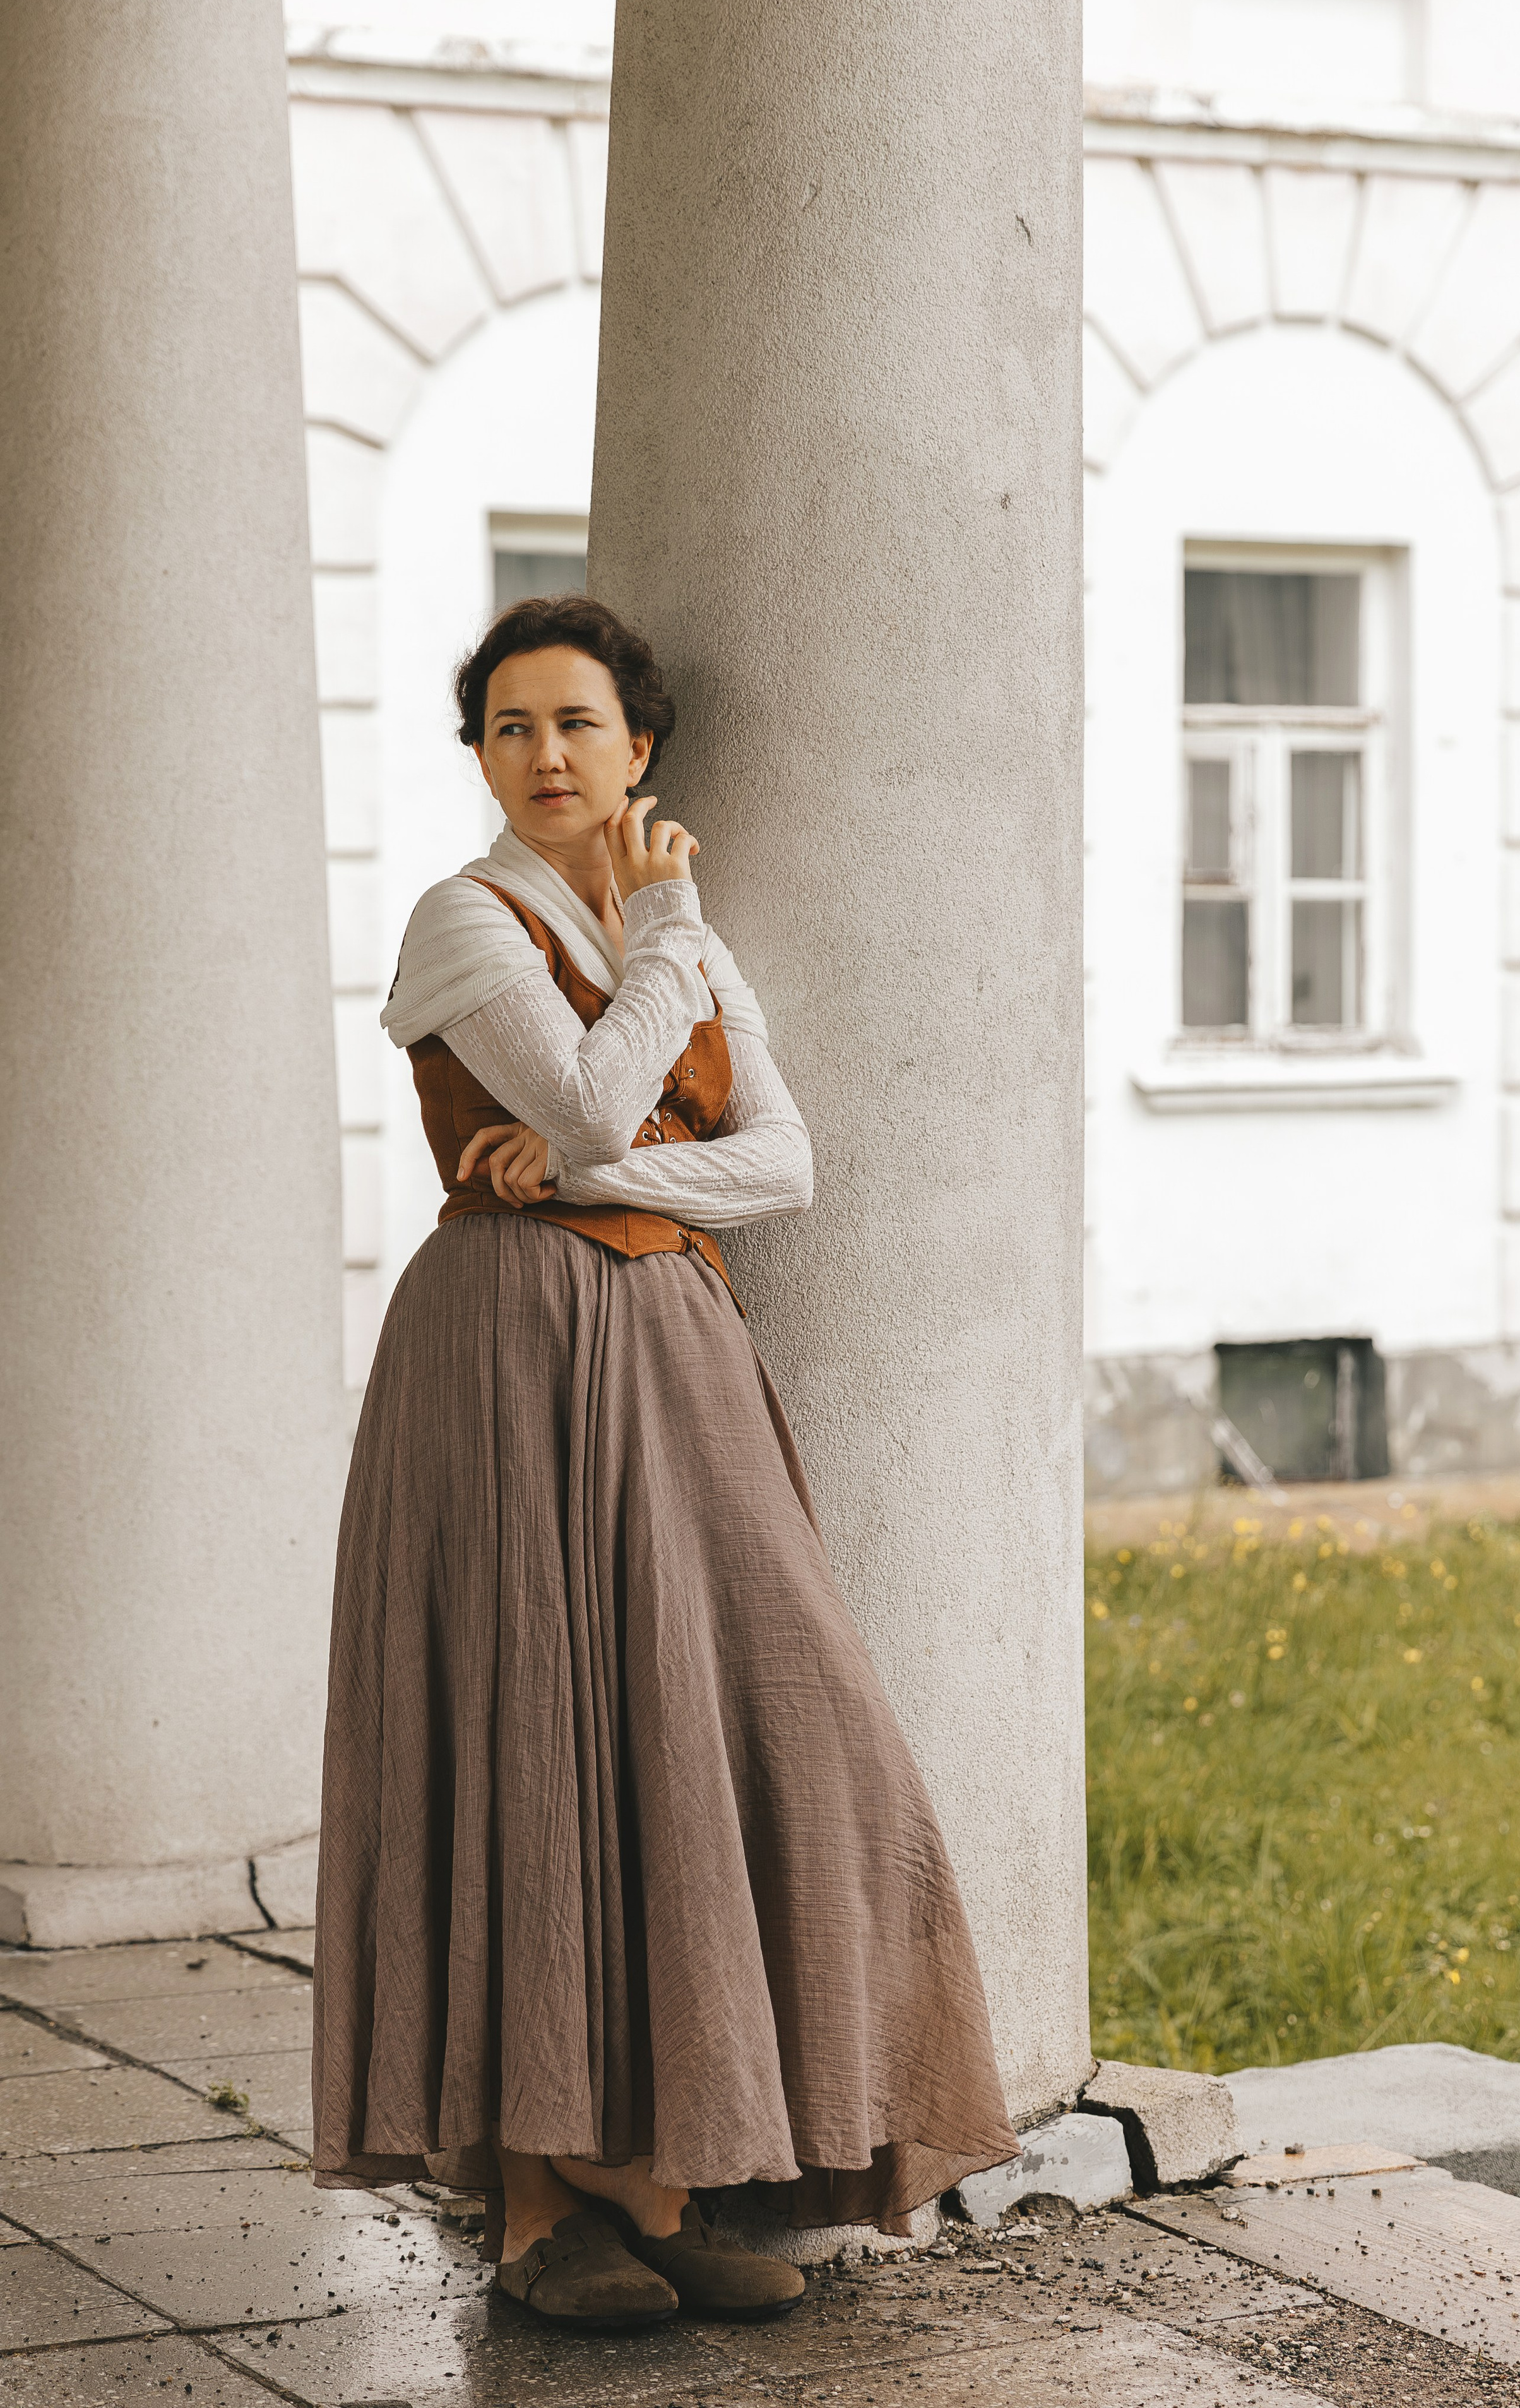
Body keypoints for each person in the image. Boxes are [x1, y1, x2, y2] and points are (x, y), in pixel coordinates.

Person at [311, 593, 1017, 2333]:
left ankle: (661, 2174)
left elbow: (777, 1171)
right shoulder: (462, 922)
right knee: (543, 1730)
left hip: (675, 1353)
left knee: (720, 1722)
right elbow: (597, 1110)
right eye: (510, 728)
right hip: (508, 1360)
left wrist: (605, 1150)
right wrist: (651, 984)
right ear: (479, 754)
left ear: (642, 747)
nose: (547, 755)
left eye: (580, 724)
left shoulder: (681, 936)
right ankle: (545, 2205)